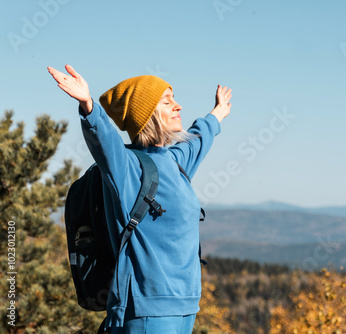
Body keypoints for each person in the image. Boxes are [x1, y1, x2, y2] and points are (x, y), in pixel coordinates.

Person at [47, 64, 232, 333]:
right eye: (168, 102)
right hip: (146, 310)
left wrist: (218, 113)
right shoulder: (128, 167)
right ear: (147, 115)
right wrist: (88, 105)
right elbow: (105, 141)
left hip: (186, 306)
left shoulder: (175, 162)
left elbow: (198, 139)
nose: (178, 106)